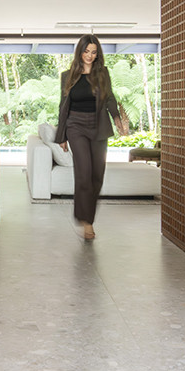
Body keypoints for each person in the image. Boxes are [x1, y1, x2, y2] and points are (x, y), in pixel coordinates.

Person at [53, 35, 128, 240]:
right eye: (86, 51)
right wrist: (62, 136)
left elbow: (110, 98)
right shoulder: (67, 76)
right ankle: (87, 222)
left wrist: (117, 118)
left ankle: (86, 214)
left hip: (98, 126)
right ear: (80, 52)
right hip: (75, 126)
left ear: (98, 54)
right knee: (84, 173)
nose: (89, 56)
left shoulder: (102, 73)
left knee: (97, 176)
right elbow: (63, 106)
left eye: (94, 52)